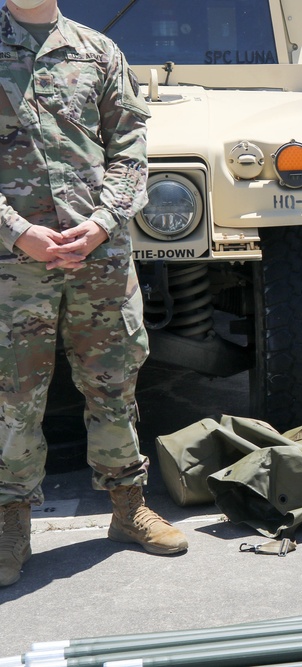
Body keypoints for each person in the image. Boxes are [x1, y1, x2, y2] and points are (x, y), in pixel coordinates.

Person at [0, 0, 187, 587]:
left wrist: (105, 220)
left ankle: (128, 507)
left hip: (98, 255)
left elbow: (129, 146)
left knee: (113, 381)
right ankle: (10, 522)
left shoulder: (98, 51)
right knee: (14, 394)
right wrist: (17, 231)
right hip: (14, 263)